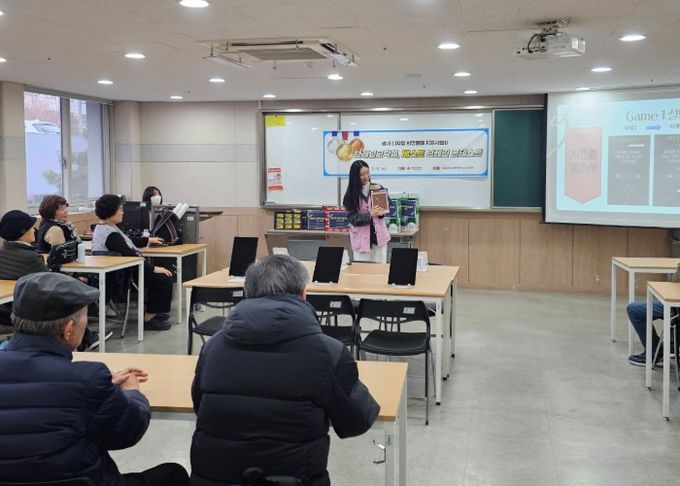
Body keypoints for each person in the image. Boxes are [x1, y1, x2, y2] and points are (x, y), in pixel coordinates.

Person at [190, 254, 380, 486]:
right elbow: (357, 421)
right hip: (296, 479)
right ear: (303, 295)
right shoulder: (330, 353)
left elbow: (200, 407)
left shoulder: (212, 347)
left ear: (247, 293)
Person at [0, 272, 190, 486]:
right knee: (173, 475)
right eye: (84, 318)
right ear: (68, 330)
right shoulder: (88, 379)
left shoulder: (87, 381)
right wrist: (132, 393)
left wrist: (101, 391)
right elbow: (128, 432)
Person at [0, 209, 110, 349]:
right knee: (66, 298)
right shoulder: (31, 257)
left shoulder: (4, 253)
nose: (34, 230)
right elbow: (50, 285)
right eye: (30, 227)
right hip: (27, 310)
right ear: (22, 233)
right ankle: (85, 339)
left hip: (6, 309)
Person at [92, 194, 173, 331]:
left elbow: (125, 240)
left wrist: (147, 240)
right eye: (120, 209)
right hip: (126, 275)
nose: (123, 212)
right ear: (111, 212)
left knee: (160, 275)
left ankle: (153, 311)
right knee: (164, 278)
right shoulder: (111, 234)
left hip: (122, 271)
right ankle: (148, 318)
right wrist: (153, 268)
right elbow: (131, 255)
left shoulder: (104, 227)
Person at [342, 160, 391, 263]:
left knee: (380, 269)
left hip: (379, 237)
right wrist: (370, 214)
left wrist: (382, 212)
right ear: (355, 176)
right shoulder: (350, 196)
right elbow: (353, 219)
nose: (366, 177)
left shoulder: (377, 188)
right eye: (362, 175)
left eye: (367, 173)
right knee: (363, 269)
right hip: (361, 239)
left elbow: (387, 205)